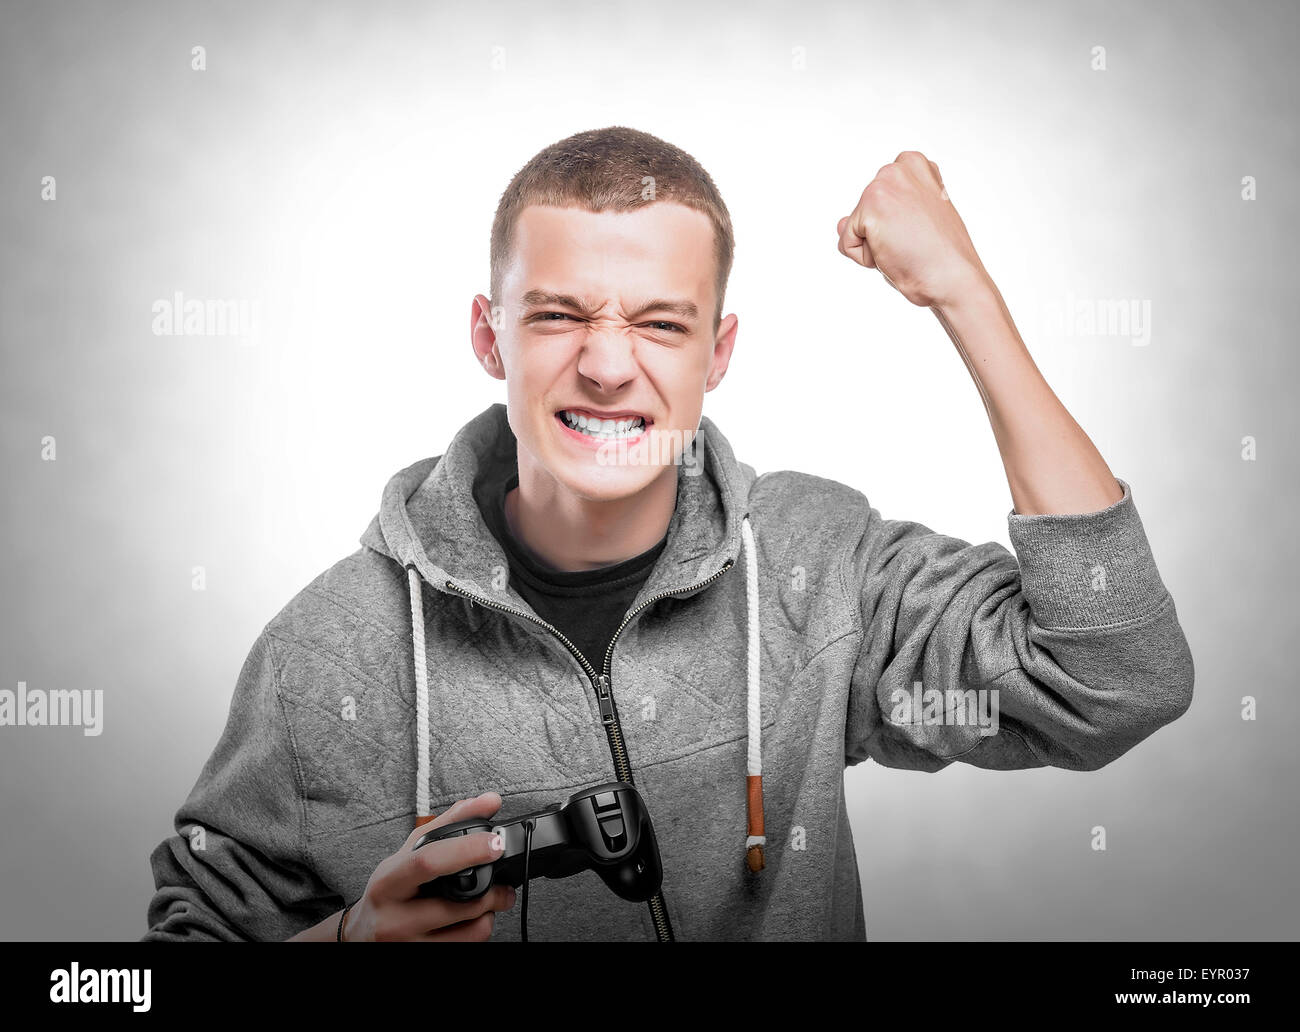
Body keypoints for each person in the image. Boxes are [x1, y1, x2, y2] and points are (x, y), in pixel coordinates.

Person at [143, 125, 1194, 942]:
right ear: (486, 334)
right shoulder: (327, 650)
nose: (607, 365)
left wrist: (963, 294)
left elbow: (1114, 678)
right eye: (558, 315)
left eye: (658, 322)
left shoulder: (818, 566)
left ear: (718, 351)